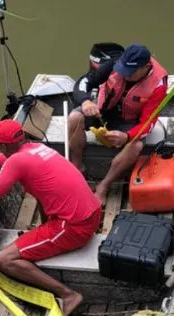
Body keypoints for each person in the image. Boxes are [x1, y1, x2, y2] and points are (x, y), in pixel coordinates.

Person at [0, 119, 101, 316]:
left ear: (3, 145)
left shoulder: (17, 161)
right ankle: (45, 234)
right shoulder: (37, 148)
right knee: (41, 201)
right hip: (92, 212)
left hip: (74, 227)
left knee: (4, 259)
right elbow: (8, 161)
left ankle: (68, 295)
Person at [68, 43, 168, 205]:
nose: (124, 75)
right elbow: (84, 81)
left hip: (129, 122)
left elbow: (148, 124)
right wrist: (85, 101)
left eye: (130, 72)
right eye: (123, 70)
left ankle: (104, 185)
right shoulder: (115, 63)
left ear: (145, 67)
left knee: (135, 147)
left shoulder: (158, 85)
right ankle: (77, 166)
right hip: (103, 111)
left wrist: (127, 136)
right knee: (74, 118)